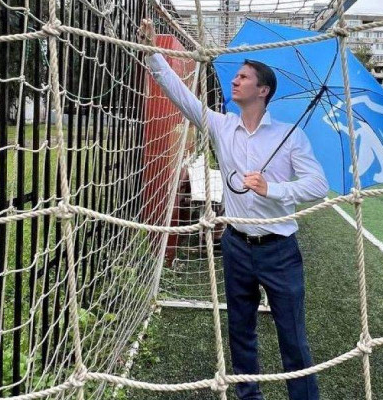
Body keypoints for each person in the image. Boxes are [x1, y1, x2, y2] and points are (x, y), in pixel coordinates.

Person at [137, 19, 328, 400]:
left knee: (293, 337)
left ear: (263, 90)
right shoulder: (222, 126)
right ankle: (248, 396)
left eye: (243, 77)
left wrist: (273, 188)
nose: (235, 81)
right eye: (236, 76)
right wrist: (152, 53)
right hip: (236, 245)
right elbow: (181, 96)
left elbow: (318, 186)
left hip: (280, 250)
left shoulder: (291, 136)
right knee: (240, 331)